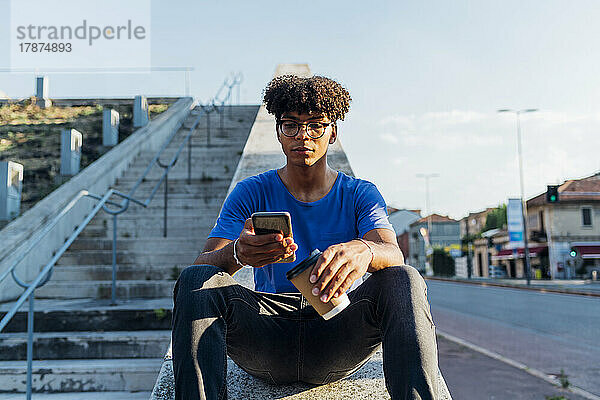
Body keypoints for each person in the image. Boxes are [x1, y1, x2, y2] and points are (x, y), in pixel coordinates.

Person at [172, 75, 439, 400]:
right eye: (291, 126)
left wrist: (364, 250)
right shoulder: (251, 192)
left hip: (337, 335)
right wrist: (239, 254)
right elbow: (201, 266)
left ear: (333, 134)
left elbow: (392, 252)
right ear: (279, 134)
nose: (303, 136)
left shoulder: (360, 194)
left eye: (316, 125)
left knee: (403, 278)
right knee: (197, 278)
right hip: (264, 333)